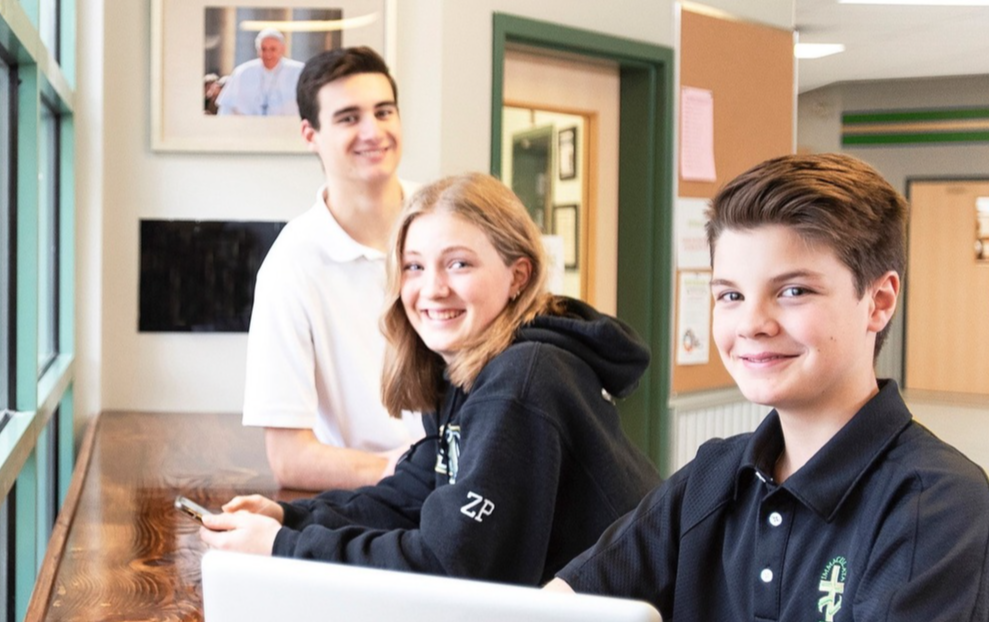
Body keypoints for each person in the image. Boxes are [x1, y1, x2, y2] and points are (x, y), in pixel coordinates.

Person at [548, 154, 989, 622]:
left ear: (879, 301)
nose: (752, 323)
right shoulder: (714, 476)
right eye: (729, 295)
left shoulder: (935, 502)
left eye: (793, 291)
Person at [203, 173, 661, 586]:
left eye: (459, 264)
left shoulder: (521, 383)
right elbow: (412, 495)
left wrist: (282, 549)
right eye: (414, 266)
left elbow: (450, 565)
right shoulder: (468, 372)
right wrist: (290, 518)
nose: (432, 289)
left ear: (517, 275)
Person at [243, 46, 424, 491]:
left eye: (384, 112)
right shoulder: (289, 267)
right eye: (348, 118)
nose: (373, 131)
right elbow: (288, 459)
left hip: (481, 493)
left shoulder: (450, 220)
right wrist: (411, 472)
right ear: (310, 134)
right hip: (372, 502)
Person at [216, 28, 303, 116]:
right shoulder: (243, 72)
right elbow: (226, 108)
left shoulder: (298, 72)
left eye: (273, 49)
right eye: (263, 49)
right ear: (258, 50)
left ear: (282, 49)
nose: (268, 54)